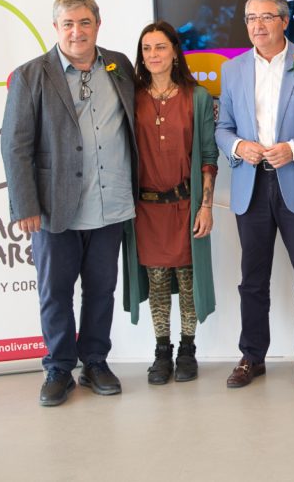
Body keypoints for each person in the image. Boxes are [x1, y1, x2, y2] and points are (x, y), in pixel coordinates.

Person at [0, 0, 137, 406]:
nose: (77, 32)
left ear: (98, 24)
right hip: (53, 206)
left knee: (102, 289)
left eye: (85, 22)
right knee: (55, 291)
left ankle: (94, 362)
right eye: (68, 24)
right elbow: (15, 146)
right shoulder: (31, 75)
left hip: (110, 202)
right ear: (56, 28)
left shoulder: (119, 66)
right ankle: (59, 367)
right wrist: (25, 205)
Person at [216, 0, 294, 391]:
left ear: (284, 20)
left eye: (265, 17)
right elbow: (222, 128)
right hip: (251, 184)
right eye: (250, 18)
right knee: (252, 279)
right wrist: (237, 146)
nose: (257, 26)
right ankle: (251, 357)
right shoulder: (233, 69)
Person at [124, 21, 217, 385]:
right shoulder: (131, 97)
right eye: (146, 48)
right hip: (146, 209)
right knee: (158, 283)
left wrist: (206, 206)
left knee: (189, 282)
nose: (153, 55)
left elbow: (208, 157)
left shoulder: (197, 97)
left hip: (186, 206)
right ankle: (162, 351)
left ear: (175, 51)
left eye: (160, 47)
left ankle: (187, 350)